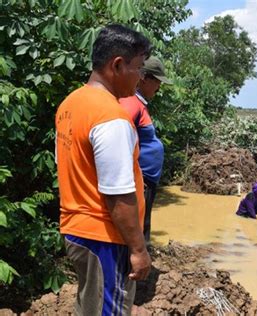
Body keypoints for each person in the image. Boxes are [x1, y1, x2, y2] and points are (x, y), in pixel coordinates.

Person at [55, 24, 152, 315]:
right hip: (106, 240)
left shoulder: (69, 105)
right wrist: (138, 249)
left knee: (89, 307)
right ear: (118, 65)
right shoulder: (112, 118)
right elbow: (119, 195)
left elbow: (66, 167)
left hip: (76, 230)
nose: (141, 77)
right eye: (138, 68)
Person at [119, 56, 170, 245]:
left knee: (143, 223)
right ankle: (136, 268)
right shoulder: (131, 103)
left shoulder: (138, 104)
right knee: (138, 226)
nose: (159, 87)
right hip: (140, 180)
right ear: (143, 78)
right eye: (157, 81)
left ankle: (139, 265)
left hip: (145, 179)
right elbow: (120, 136)